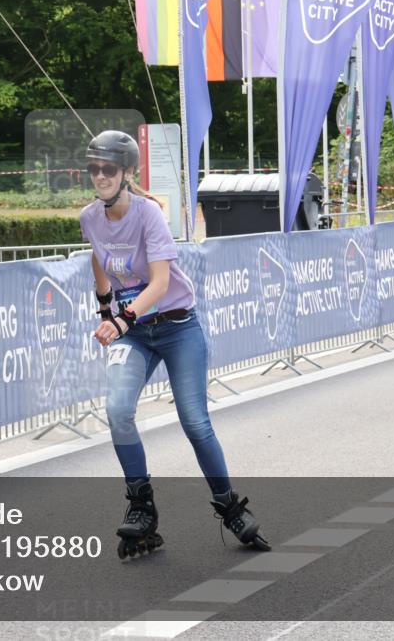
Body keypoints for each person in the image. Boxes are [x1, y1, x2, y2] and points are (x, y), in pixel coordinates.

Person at [78, 130, 270, 558]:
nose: (100, 176)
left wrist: (122, 320)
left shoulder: (148, 215)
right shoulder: (90, 216)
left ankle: (229, 505)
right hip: (136, 334)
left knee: (194, 421)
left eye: (108, 168)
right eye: (93, 169)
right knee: (117, 410)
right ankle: (141, 507)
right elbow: (98, 252)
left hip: (177, 325)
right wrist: (104, 304)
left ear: (127, 172)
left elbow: (162, 282)